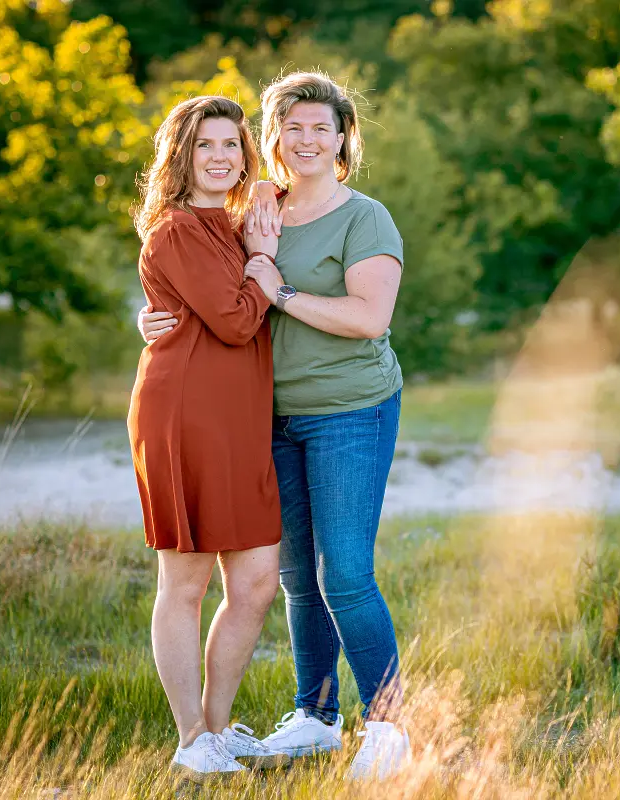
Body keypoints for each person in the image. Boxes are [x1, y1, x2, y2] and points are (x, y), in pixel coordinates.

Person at [138, 72, 411, 780]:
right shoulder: (257, 210)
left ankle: (387, 726)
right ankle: (314, 716)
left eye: (323, 127)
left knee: (344, 571)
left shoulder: (364, 217)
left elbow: (367, 319)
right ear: (277, 138)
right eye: (294, 127)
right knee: (293, 577)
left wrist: (277, 287)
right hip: (268, 419)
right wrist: (151, 319)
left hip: (350, 410)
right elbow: (190, 278)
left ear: (345, 136)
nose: (308, 139)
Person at [128, 95, 289, 780]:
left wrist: (257, 244)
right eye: (205, 146)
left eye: (232, 144)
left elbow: (305, 172)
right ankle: (191, 736)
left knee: (255, 582)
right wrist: (263, 269)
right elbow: (230, 320)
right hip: (186, 414)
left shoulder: (236, 220)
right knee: (186, 581)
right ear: (181, 155)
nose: (221, 157)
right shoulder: (176, 229)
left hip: (242, 418)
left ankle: (218, 733)